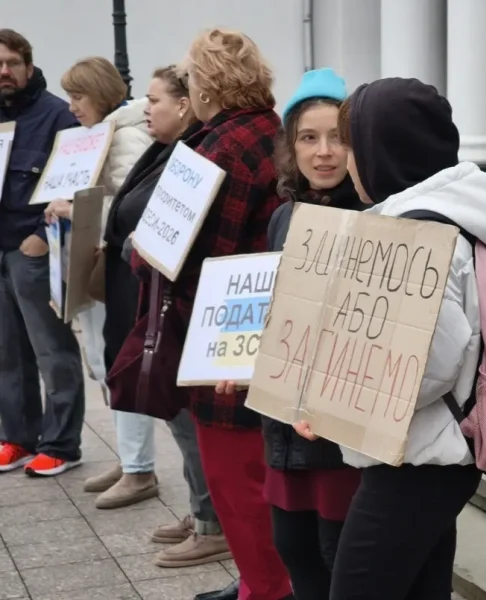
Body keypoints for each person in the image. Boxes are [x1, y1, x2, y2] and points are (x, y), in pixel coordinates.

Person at [292, 77, 486, 600]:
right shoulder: (449, 219)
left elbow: (422, 362)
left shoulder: (413, 235)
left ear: (382, 149)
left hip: (416, 463)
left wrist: (330, 403)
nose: (347, 161)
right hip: (430, 456)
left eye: (352, 144)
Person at [130, 29, 292, 600]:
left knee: (235, 479)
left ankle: (264, 588)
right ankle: (260, 580)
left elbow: (178, 256)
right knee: (262, 478)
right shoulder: (271, 130)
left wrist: (139, 249)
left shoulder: (216, 147)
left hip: (222, 329)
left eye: (194, 79)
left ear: (207, 85)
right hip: (266, 323)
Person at [215, 67, 363, 600]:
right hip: (283, 429)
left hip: (335, 435)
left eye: (338, 137)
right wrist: (240, 359)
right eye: (308, 137)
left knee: (334, 558)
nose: (324, 152)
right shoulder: (282, 216)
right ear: (289, 146)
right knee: (295, 550)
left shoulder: (377, 217)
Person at [102, 65, 231, 568]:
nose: (145, 108)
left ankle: (210, 522)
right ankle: (202, 510)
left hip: (178, 301)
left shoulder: (193, 155)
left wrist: (137, 242)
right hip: (154, 293)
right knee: (177, 416)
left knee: (186, 414)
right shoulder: (169, 150)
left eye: (153, 100)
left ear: (185, 104)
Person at [43, 56, 158, 508]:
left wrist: (76, 210)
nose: (71, 105)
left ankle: (138, 467)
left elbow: (136, 207)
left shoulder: (125, 134)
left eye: (77, 95)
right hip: (95, 260)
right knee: (101, 361)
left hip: (113, 265)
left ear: (99, 93)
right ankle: (133, 460)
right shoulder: (100, 133)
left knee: (115, 361)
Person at [0, 28, 85, 477]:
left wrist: (38, 236)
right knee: (6, 353)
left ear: (28, 65)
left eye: (12, 62)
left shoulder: (56, 116)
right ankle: (17, 437)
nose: (4, 72)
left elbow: (73, 182)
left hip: (32, 250)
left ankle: (62, 443)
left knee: (51, 350)